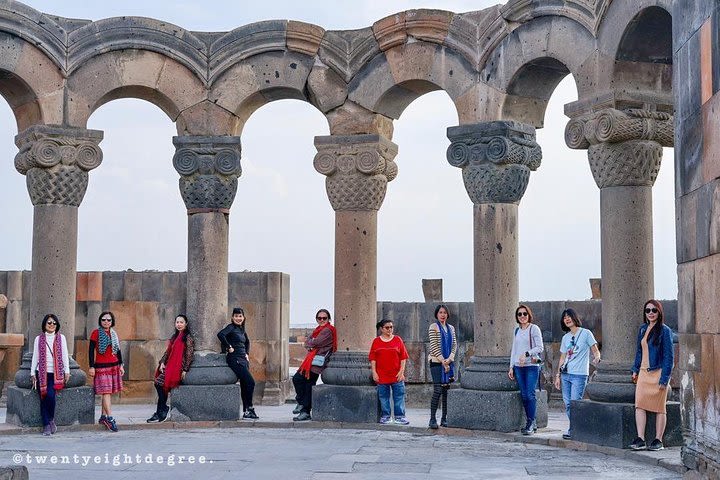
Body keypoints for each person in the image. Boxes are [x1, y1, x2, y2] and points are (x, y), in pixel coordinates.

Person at [629, 300, 675, 451]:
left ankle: (658, 440)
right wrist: (635, 369)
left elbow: (669, 357)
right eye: (647, 310)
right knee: (639, 405)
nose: (650, 313)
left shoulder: (665, 330)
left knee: (659, 407)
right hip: (643, 372)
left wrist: (665, 378)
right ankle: (640, 438)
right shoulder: (643, 329)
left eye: (654, 310)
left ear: (659, 312)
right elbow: (639, 351)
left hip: (658, 372)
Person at [553, 308, 601, 440]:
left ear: (575, 318)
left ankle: (576, 428)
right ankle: (574, 427)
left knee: (575, 402)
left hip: (579, 374)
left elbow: (595, 350)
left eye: (569, 316)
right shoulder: (565, 337)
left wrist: (597, 357)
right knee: (568, 404)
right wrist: (557, 375)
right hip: (565, 374)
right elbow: (562, 358)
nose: (567, 319)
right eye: (564, 318)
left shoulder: (586, 333)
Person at [147, 314, 195, 423]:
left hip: (178, 367)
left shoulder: (187, 337)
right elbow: (168, 352)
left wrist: (185, 369)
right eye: (177, 322)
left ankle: (162, 410)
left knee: (159, 383)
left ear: (186, 324)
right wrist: (162, 362)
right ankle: (160, 411)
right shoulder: (175, 336)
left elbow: (189, 354)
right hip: (170, 365)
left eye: (181, 322)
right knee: (160, 384)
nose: (179, 324)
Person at [292, 308, 337, 421]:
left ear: (328, 319)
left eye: (324, 318)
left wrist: (311, 342)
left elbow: (315, 342)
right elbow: (309, 342)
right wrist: (310, 342)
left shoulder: (327, 330)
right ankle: (302, 404)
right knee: (300, 380)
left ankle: (304, 409)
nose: (321, 320)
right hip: (311, 360)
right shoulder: (318, 329)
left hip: (318, 361)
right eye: (319, 318)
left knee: (307, 383)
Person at [30, 314, 70, 436]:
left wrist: (67, 371)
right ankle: (46, 425)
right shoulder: (39, 339)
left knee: (50, 396)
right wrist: (32, 373)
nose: (52, 325)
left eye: (54, 323)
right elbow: (35, 357)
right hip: (41, 373)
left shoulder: (61, 338)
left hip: (55, 373)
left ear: (57, 325)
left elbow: (65, 355)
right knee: (43, 397)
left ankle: (51, 419)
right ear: (44, 324)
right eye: (49, 323)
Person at [507, 304, 544, 435]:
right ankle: (531, 422)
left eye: (524, 314)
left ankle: (531, 422)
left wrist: (526, 354)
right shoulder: (516, 330)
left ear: (529, 315)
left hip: (531, 366)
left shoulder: (534, 329)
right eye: (519, 314)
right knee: (523, 395)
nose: (522, 316)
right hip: (518, 367)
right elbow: (514, 350)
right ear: (517, 317)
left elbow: (540, 348)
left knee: (530, 394)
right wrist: (511, 366)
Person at [217, 307, 258, 419]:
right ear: (232, 317)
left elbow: (247, 342)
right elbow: (220, 335)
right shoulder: (231, 327)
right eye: (236, 316)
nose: (238, 318)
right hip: (234, 359)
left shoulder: (242, 330)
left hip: (243, 359)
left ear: (243, 317)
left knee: (245, 385)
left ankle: (247, 411)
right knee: (251, 382)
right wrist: (228, 347)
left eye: (240, 316)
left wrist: (247, 354)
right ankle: (250, 408)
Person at [88, 311, 124, 432]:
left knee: (107, 392)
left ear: (112, 321)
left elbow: (118, 350)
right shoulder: (95, 333)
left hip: (113, 366)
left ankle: (103, 416)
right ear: (100, 321)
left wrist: (121, 365)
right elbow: (91, 351)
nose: (106, 322)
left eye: (109, 320)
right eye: (103, 320)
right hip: (101, 367)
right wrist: (91, 366)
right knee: (106, 392)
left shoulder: (114, 334)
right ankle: (110, 417)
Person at [369, 319, 410, 425]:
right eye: (387, 327)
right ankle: (386, 416)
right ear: (381, 329)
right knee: (383, 397)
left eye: (391, 327)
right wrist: (374, 372)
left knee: (399, 396)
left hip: (396, 374)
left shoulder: (398, 339)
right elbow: (373, 358)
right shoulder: (376, 341)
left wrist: (401, 372)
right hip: (382, 375)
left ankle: (400, 416)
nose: (390, 329)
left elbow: (403, 357)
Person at [427, 304, 457, 429]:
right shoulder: (433, 327)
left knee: (446, 392)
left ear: (447, 314)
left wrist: (449, 359)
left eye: (445, 312)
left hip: (448, 362)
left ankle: (444, 419)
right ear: (437, 314)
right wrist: (443, 361)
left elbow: (454, 345)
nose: (443, 315)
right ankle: (432, 419)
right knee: (438, 390)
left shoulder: (451, 328)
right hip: (436, 362)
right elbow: (433, 346)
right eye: (440, 312)